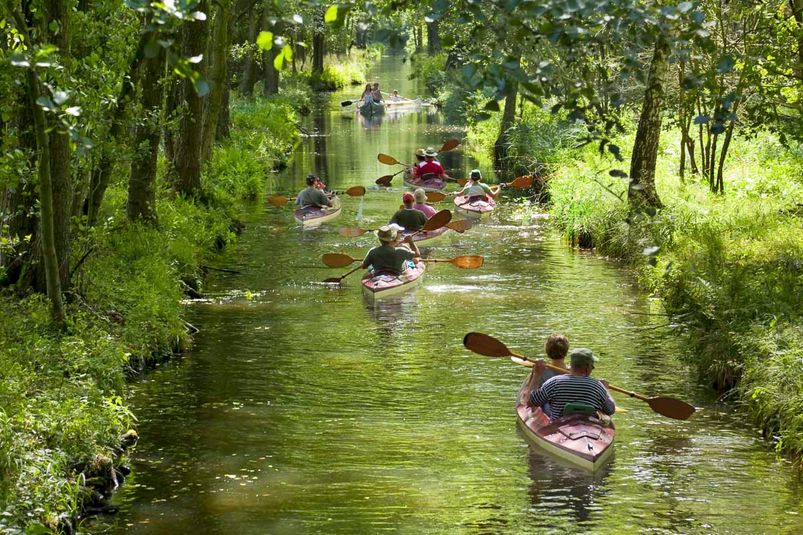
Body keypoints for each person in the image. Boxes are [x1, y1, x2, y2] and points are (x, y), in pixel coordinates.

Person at [528, 348, 616, 420]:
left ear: (571, 365)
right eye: (592, 366)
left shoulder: (554, 382)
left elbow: (531, 402)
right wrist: (606, 390)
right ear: (586, 369)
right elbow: (610, 410)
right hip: (589, 430)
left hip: (559, 428)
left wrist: (537, 374)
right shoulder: (597, 386)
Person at [518, 333, 569, 405]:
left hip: (550, 410)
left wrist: (535, 373)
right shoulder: (575, 371)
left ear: (547, 351)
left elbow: (525, 400)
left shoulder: (541, 371)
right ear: (566, 350)